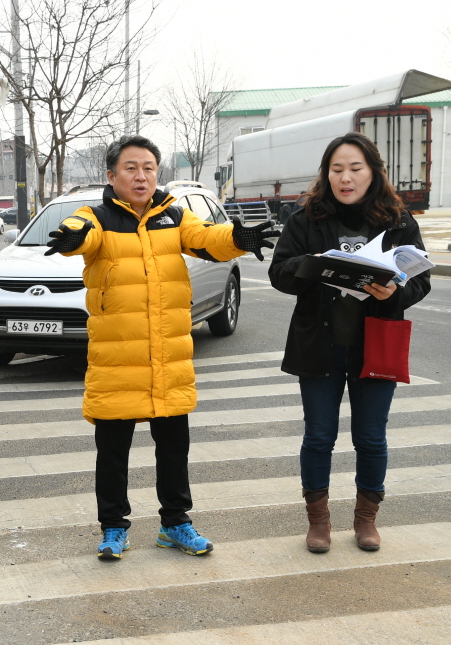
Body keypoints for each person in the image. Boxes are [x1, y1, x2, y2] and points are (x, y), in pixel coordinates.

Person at [47, 136, 279, 560]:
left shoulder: (174, 215)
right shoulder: (96, 217)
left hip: (167, 357)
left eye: (149, 167)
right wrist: (70, 236)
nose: (141, 176)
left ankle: (176, 523)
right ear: (111, 175)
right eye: (131, 168)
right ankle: (113, 528)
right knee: (112, 452)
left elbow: (210, 238)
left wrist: (239, 237)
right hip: (117, 360)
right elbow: (83, 234)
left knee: (174, 448)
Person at [268, 132, 432, 553]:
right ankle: (318, 522)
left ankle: (365, 521)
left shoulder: (397, 219)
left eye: (355, 169)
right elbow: (279, 272)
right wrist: (315, 268)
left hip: (375, 345)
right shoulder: (306, 218)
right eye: (336, 169)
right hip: (319, 346)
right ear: (326, 174)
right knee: (319, 437)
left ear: (373, 172)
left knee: (371, 437)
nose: (346, 178)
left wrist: (396, 292)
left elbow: (421, 280)